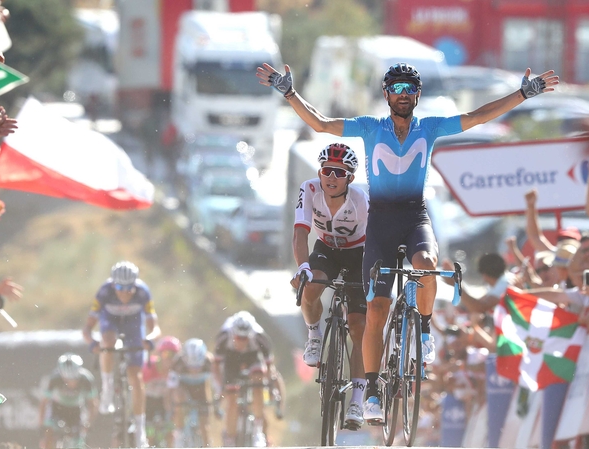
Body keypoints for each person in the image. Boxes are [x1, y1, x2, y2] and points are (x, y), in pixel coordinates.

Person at [257, 60, 558, 422]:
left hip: (415, 215)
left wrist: (523, 93)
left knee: (427, 266)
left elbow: (478, 117)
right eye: (396, 88)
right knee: (376, 310)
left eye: (410, 89)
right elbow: (321, 124)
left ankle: (425, 330)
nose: (403, 95)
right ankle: (370, 391)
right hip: (380, 222)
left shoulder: (429, 127)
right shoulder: (370, 127)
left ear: (418, 95)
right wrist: (289, 92)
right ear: (386, 94)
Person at [290, 142, 369, 429]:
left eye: (339, 172)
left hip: (359, 253)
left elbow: (376, 244)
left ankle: (358, 401)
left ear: (350, 177)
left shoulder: (361, 201)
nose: (331, 177)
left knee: (359, 325)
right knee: (309, 289)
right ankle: (314, 334)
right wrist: (303, 269)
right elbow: (300, 234)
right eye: (326, 171)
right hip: (326, 249)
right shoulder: (309, 189)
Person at [82, 260, 161, 448]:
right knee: (107, 342)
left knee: (136, 377)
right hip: (110, 324)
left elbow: (155, 327)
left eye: (129, 288)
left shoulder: (143, 292)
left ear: (135, 285)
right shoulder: (104, 292)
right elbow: (87, 328)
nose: (124, 293)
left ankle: (140, 430)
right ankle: (108, 388)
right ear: (112, 284)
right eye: (119, 287)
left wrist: (149, 340)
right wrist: (93, 343)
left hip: (134, 327)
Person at [213, 311, 282, 447]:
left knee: (258, 381)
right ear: (233, 333)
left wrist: (268, 386)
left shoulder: (260, 337)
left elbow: (269, 367)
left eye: (245, 338)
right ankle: (230, 440)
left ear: (251, 335)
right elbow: (216, 366)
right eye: (238, 337)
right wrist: (220, 387)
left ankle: (258, 431)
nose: (241, 341)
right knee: (232, 400)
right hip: (231, 359)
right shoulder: (223, 337)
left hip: (252, 356)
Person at [38, 353, 98, 449]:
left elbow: (93, 404)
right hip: (57, 408)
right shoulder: (54, 379)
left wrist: (88, 423)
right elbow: (43, 403)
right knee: (48, 435)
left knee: (80, 441)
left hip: (77, 410)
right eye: (66, 380)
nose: (70, 383)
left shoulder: (86, 379)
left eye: (73, 379)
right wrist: (42, 425)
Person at [168, 338, 216, 447]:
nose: (194, 370)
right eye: (191, 367)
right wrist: (172, 408)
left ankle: (207, 444)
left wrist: (216, 405)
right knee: (179, 400)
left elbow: (217, 385)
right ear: (185, 360)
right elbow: (171, 388)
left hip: (201, 388)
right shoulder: (177, 362)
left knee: (204, 426)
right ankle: (179, 432)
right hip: (184, 388)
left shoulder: (209, 361)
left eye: (198, 367)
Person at [143, 336, 180, 447]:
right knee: (149, 434)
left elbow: (173, 394)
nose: (168, 358)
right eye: (165, 354)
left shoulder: (176, 370)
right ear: (159, 354)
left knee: (170, 433)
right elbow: (139, 390)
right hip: (147, 400)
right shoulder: (149, 367)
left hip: (164, 401)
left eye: (172, 355)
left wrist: (173, 413)